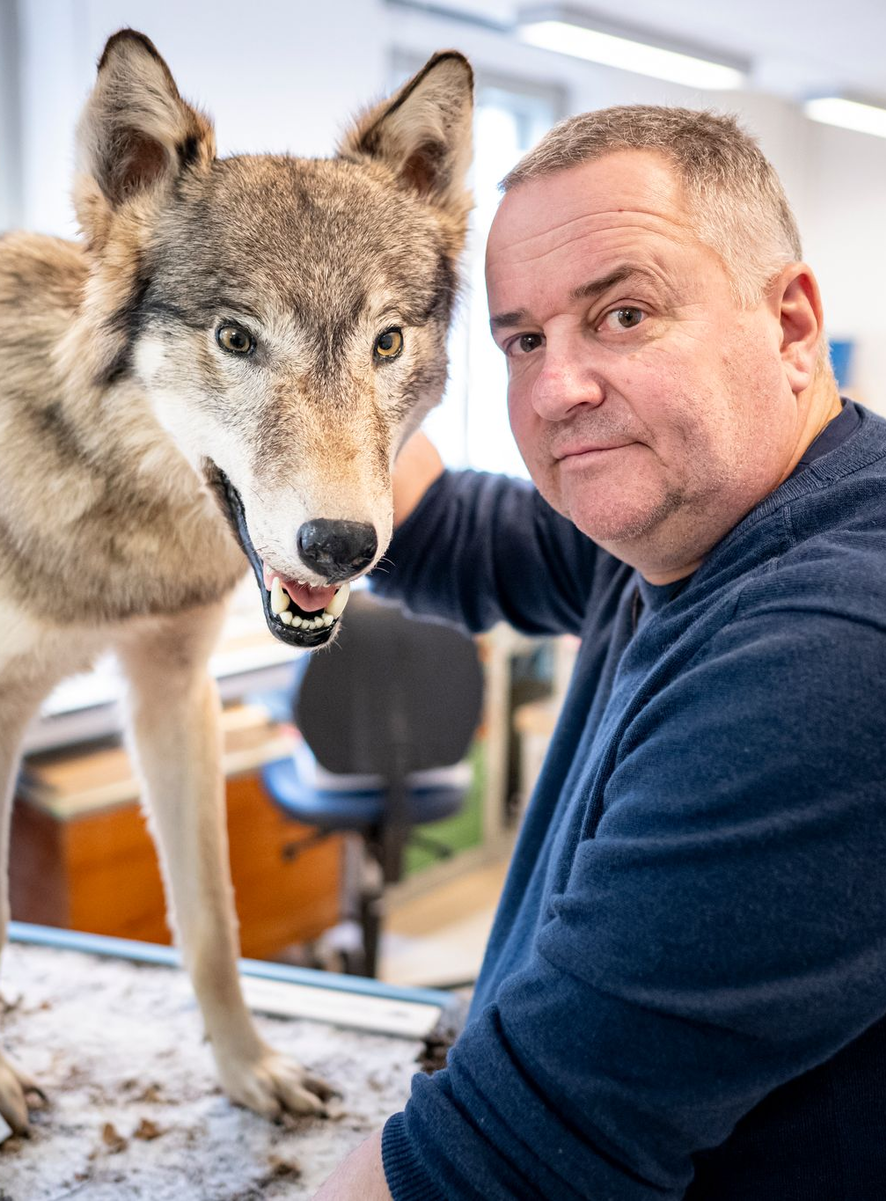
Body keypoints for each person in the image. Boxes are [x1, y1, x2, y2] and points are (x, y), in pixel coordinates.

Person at [315, 106, 886, 1200]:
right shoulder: (676, 524)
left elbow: (501, 1164)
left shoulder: (831, 649)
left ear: (792, 325)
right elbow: (437, 526)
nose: (555, 390)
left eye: (622, 315)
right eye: (525, 339)